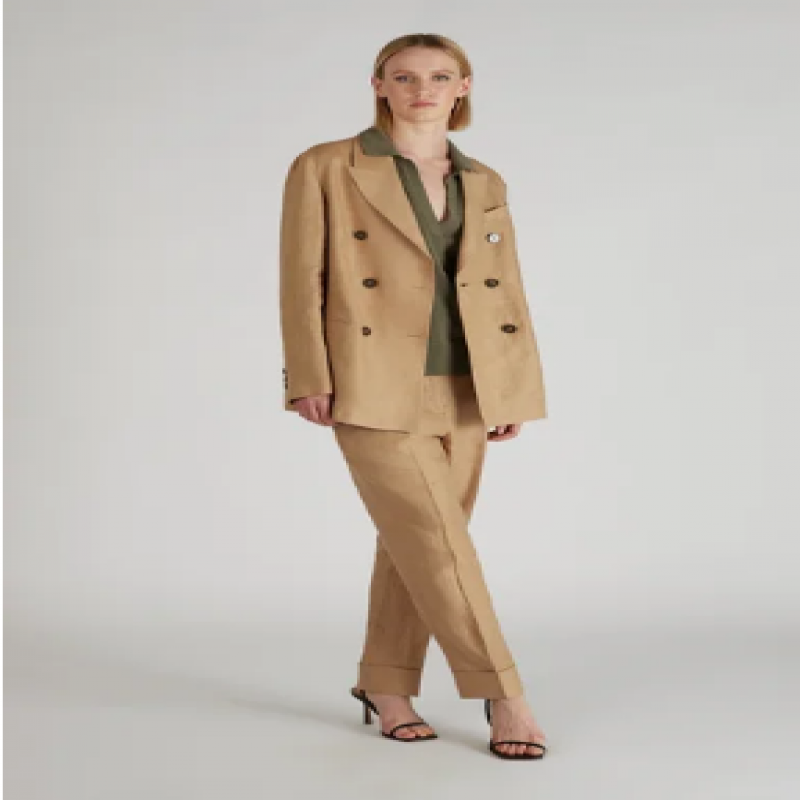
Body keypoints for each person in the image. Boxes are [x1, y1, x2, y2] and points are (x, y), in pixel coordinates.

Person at [278, 33, 549, 760]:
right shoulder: (327, 165)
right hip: (370, 378)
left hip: (466, 382)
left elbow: (504, 291)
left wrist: (511, 386)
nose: (421, 89)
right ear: (379, 85)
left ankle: (386, 683)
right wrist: (308, 374)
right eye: (404, 77)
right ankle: (504, 693)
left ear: (463, 86)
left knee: (417, 546)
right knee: (438, 543)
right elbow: (301, 277)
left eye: (438, 76)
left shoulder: (483, 180)